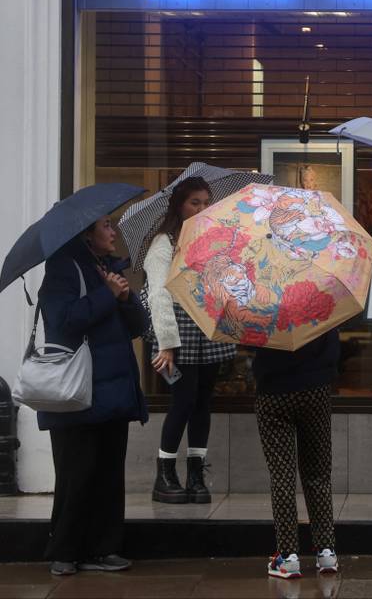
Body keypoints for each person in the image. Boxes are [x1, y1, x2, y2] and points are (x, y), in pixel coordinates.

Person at [37, 216, 148, 576]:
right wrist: (106, 295)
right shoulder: (63, 271)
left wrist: (126, 296)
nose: (113, 232)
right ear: (86, 234)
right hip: (77, 393)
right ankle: (66, 551)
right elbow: (63, 320)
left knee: (109, 473)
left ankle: (104, 548)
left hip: (113, 389)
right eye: (106, 226)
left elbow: (138, 326)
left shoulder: (109, 270)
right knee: (76, 473)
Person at [144, 177, 236, 504]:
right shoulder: (164, 243)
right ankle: (165, 474)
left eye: (206, 202)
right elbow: (157, 294)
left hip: (206, 328)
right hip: (177, 332)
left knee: (202, 404)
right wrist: (167, 343)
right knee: (182, 402)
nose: (201, 208)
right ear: (179, 205)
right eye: (194, 202)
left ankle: (196, 474)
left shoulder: (210, 240)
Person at [252, 330, 341, 579]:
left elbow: (249, 341)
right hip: (316, 388)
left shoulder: (262, 297)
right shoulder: (317, 292)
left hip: (273, 391)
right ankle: (326, 551)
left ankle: (288, 556)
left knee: (282, 476)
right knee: (318, 473)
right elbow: (333, 345)